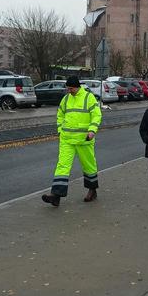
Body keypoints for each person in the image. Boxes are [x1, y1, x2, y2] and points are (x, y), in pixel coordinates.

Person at [42, 75, 101, 207]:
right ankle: (55, 195)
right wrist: (59, 129)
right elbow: (60, 114)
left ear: (77, 87)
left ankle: (92, 190)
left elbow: (96, 115)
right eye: (67, 88)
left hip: (84, 139)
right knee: (62, 166)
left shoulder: (88, 97)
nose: (69, 91)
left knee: (89, 166)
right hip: (67, 139)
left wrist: (92, 130)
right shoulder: (66, 99)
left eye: (71, 88)